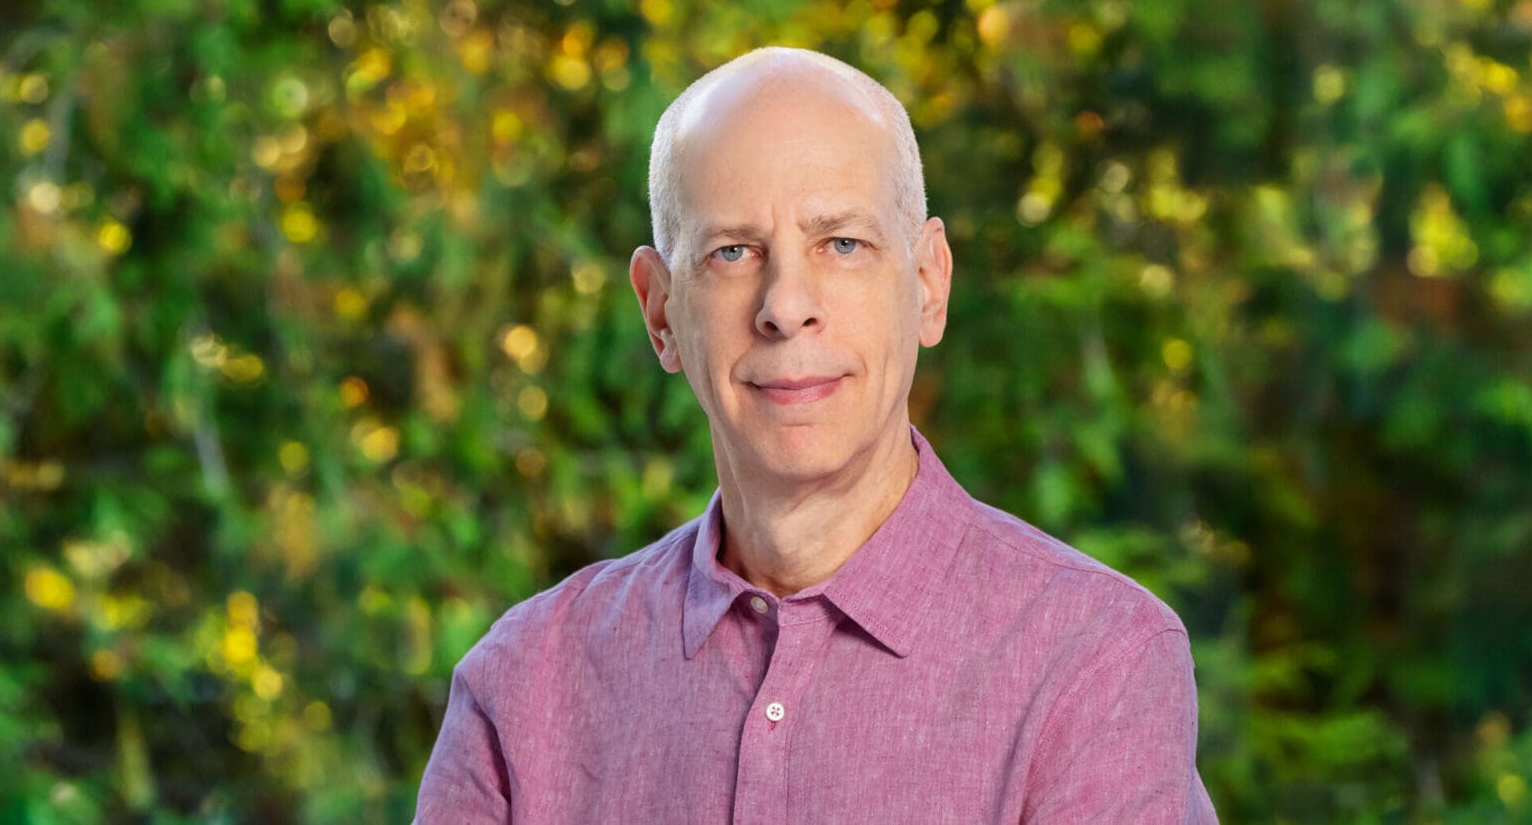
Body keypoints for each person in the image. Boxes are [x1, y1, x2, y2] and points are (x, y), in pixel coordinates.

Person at [415, 46, 1218, 823]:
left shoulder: (1094, 663)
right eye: (733, 252)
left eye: (842, 244)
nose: (785, 304)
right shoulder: (524, 688)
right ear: (660, 312)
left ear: (929, 284)